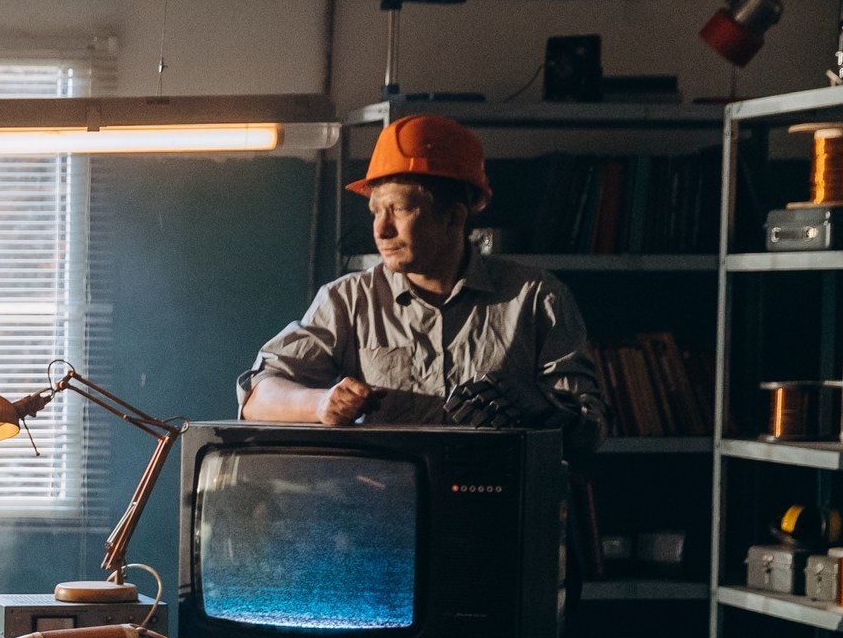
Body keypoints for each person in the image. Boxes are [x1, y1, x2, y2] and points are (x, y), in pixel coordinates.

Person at [238, 114, 607, 458]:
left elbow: (590, 430)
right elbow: (257, 397)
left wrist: (539, 411)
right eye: (375, 212)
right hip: (387, 512)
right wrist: (320, 404)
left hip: (499, 515)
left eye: (398, 210)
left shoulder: (536, 298)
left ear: (453, 217)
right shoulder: (348, 301)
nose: (380, 231)